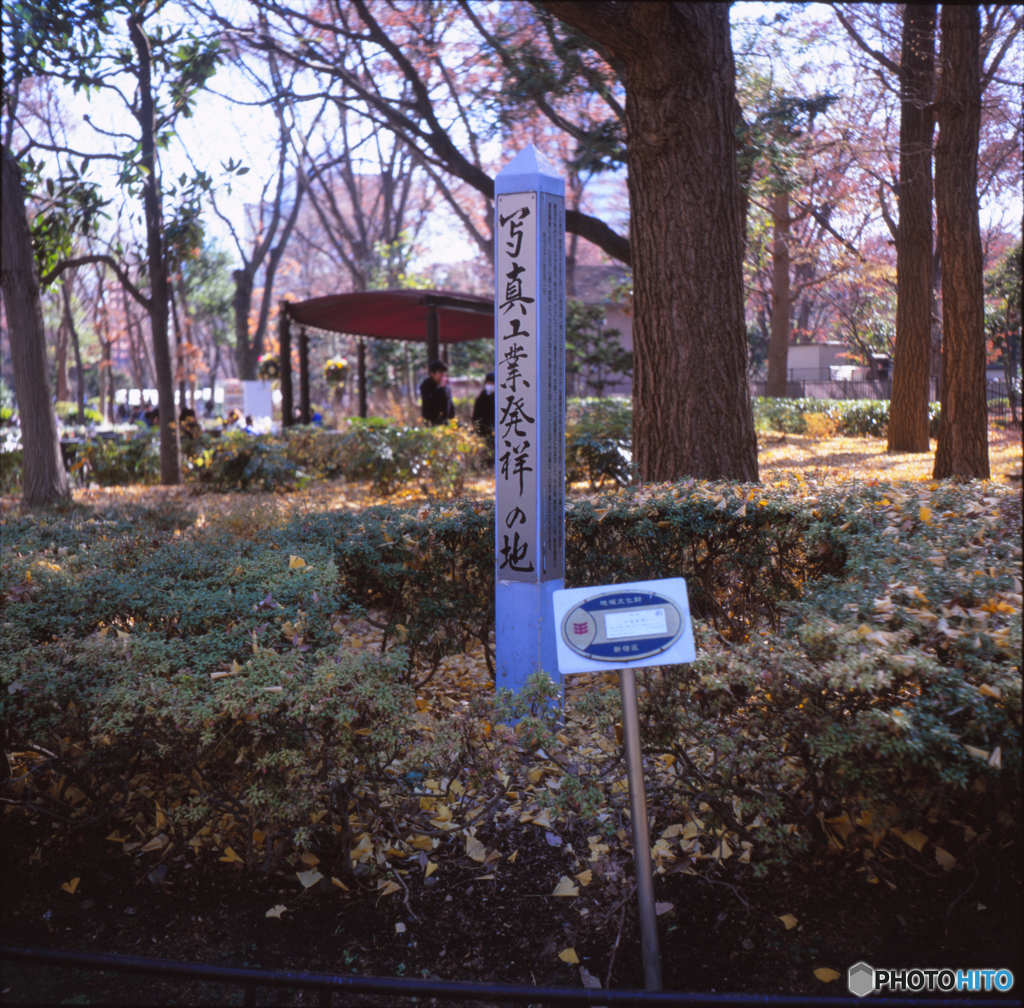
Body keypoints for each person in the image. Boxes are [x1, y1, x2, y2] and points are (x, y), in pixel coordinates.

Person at [419, 360, 455, 426]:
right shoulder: (426, 385)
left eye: (444, 372)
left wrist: (452, 419)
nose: (443, 374)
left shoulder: (446, 386)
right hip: (431, 423)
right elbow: (429, 401)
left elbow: (449, 403)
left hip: (445, 423)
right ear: (432, 373)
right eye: (440, 372)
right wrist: (441, 388)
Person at [472, 371, 495, 439]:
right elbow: (476, 417)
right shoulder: (481, 398)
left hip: (495, 433)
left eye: (492, 383)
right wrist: (477, 432)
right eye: (489, 382)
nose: (490, 385)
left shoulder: (498, 398)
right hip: (483, 433)